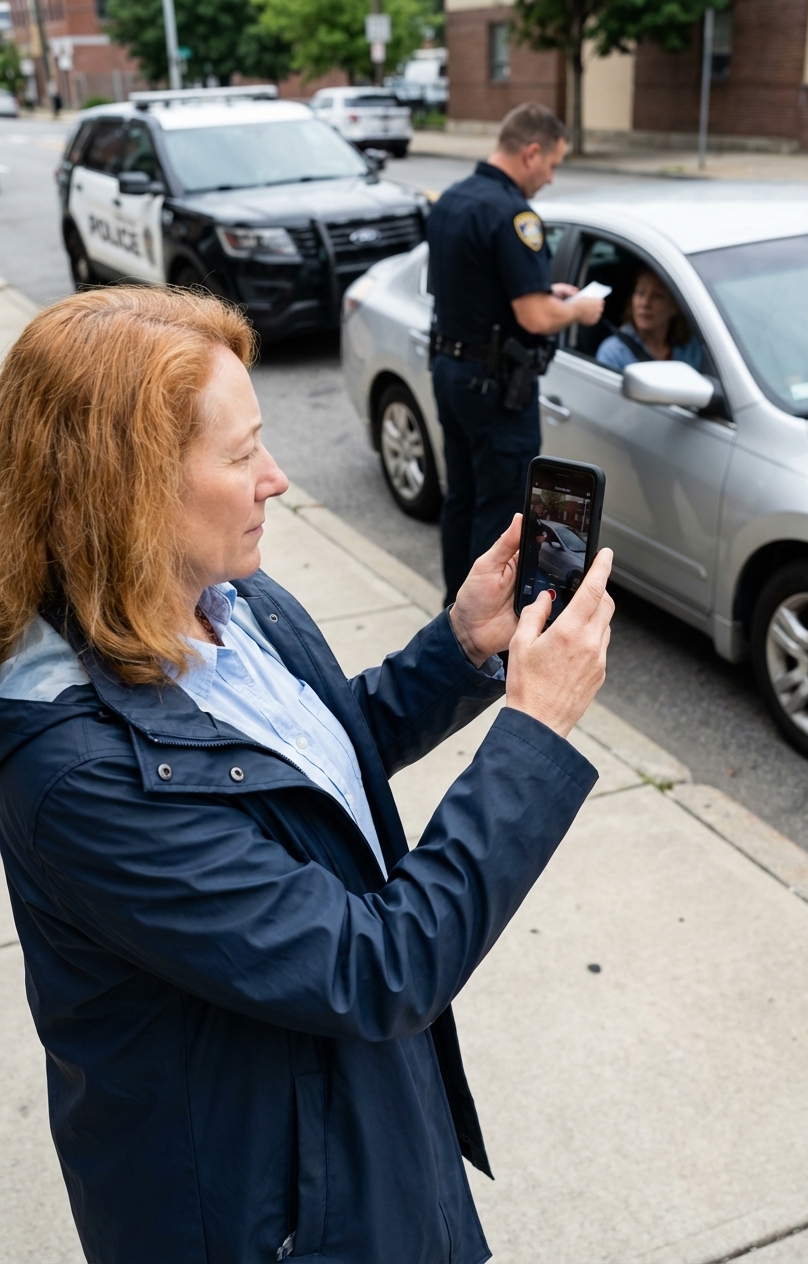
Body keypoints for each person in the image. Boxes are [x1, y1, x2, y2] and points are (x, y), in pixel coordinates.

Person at [0, 287, 614, 1264]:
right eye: (241, 456)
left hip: (363, 1134)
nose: (277, 478)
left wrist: (463, 645)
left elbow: (320, 756)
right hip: (278, 1216)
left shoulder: (235, 598)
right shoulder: (76, 777)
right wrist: (535, 731)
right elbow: (379, 965)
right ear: (127, 490)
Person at [427, 102, 606, 606]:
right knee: (502, 509)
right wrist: (578, 309)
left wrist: (547, 291)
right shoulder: (514, 214)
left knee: (460, 497)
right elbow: (534, 318)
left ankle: (452, 610)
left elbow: (478, 287)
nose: (550, 178)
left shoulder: (452, 200)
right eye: (552, 165)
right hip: (496, 388)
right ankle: (482, 628)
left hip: (451, 369)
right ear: (532, 152)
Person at [596, 266, 704, 371]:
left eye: (657, 295)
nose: (645, 303)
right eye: (640, 292)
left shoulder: (691, 349)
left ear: (674, 307)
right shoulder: (614, 353)